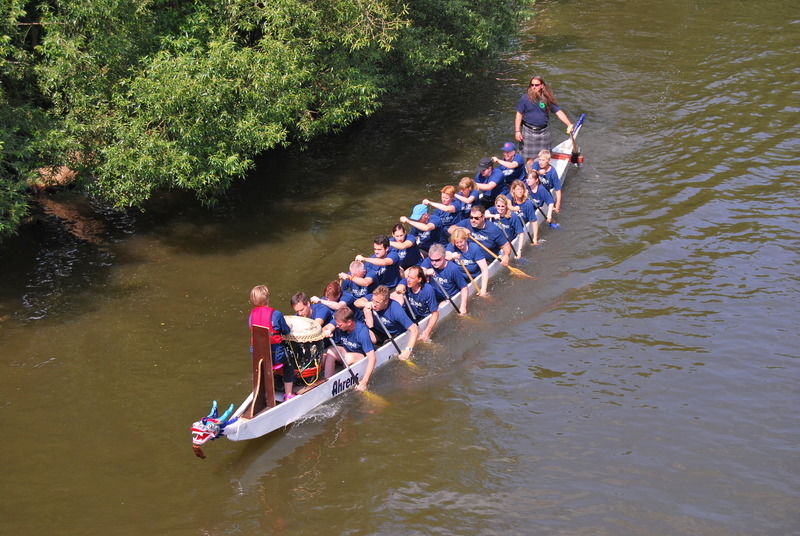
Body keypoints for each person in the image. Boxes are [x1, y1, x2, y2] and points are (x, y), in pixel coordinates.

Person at [248, 285, 296, 400]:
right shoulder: (276, 314)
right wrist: (289, 326)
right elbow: (286, 331)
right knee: (289, 360)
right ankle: (288, 394)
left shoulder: (251, 315)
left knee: (267, 359)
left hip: (256, 355)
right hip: (275, 355)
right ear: (267, 299)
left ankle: (263, 389)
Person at [514, 76, 573, 161]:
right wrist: (517, 131)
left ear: (542, 86)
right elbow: (518, 115)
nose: (534, 87)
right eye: (532, 85)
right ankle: (531, 174)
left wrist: (569, 124)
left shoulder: (546, 99)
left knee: (544, 157)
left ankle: (543, 172)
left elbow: (558, 112)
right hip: (528, 131)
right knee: (530, 159)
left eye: (536, 85)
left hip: (543, 132)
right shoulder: (524, 98)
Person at [355, 285, 418, 359]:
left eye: (377, 302)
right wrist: (366, 304)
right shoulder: (374, 297)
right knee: (362, 333)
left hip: (395, 335)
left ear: (386, 301)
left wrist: (408, 350)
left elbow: (414, 329)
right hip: (380, 332)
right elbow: (356, 302)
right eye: (373, 300)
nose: (374, 304)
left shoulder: (396, 310)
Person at [320, 307, 375, 391]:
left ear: (349, 322)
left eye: (339, 325)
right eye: (337, 324)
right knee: (330, 351)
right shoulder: (340, 321)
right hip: (347, 352)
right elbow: (329, 326)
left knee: (348, 358)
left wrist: (364, 382)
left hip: (361, 356)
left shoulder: (362, 332)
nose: (337, 326)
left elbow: (372, 359)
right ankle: (327, 381)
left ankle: (342, 380)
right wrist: (327, 331)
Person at [391, 265, 439, 342]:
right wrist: (399, 288)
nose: (408, 280)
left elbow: (435, 313)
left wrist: (427, 331)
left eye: (412, 278)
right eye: (408, 277)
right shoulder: (406, 282)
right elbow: (400, 285)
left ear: (419, 279)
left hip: (424, 317)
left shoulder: (427, 290)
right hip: (411, 317)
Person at [421, 243, 469, 315]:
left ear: (444, 257)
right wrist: (426, 272)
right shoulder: (429, 261)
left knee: (440, 307)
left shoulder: (453, 269)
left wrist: (463, 307)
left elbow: (464, 288)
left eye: (437, 260)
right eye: (432, 260)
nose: (434, 263)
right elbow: (420, 272)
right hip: (434, 296)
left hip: (449, 297)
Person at [445, 228, 489, 297]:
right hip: (460, 279)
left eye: (461, 242)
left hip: (474, 276)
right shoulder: (452, 246)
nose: (459, 245)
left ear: (465, 239)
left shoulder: (474, 248)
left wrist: (483, 289)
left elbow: (484, 269)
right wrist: (452, 256)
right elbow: (445, 257)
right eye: (457, 243)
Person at [525, 171, 556, 245]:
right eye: (527, 178)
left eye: (530, 179)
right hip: (529, 208)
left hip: (537, 208)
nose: (528, 180)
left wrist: (549, 215)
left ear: (536, 180)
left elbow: (550, 202)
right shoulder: (525, 187)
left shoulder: (541, 189)